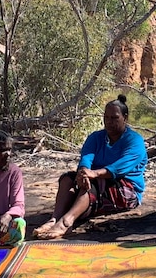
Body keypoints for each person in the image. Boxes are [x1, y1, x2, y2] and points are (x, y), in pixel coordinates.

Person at [34, 94, 148, 240]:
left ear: (125, 118)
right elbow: (86, 158)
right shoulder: (96, 137)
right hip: (95, 181)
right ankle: (54, 218)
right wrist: (83, 173)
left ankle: (66, 222)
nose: (109, 122)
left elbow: (119, 168)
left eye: (114, 118)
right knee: (68, 179)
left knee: (93, 184)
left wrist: (94, 174)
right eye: (106, 117)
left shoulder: (134, 141)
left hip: (126, 189)